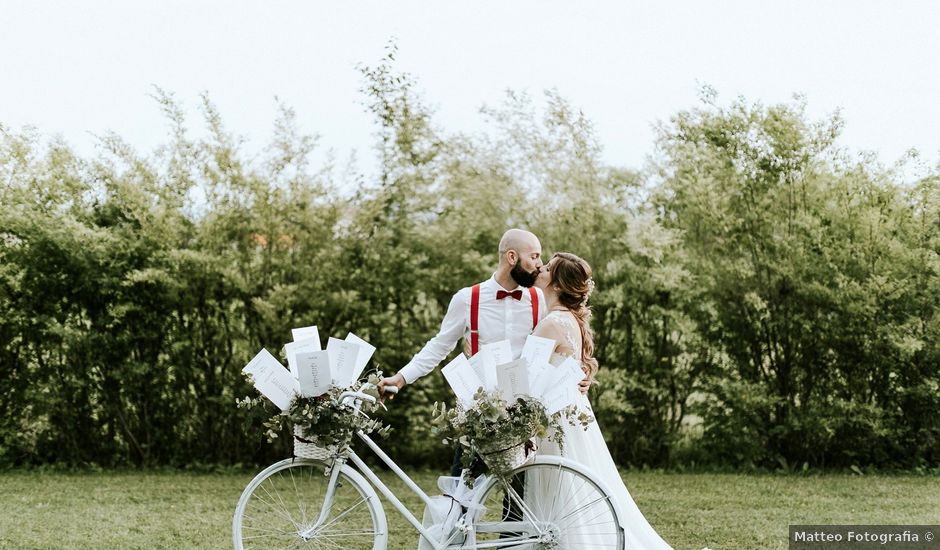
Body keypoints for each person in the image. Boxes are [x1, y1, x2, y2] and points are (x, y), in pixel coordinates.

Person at [530, 252, 674, 549]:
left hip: (556, 416)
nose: (540, 269)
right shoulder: (570, 320)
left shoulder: (551, 323)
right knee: (576, 488)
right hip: (572, 413)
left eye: (547, 268)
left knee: (561, 489)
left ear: (556, 285)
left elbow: (526, 378)